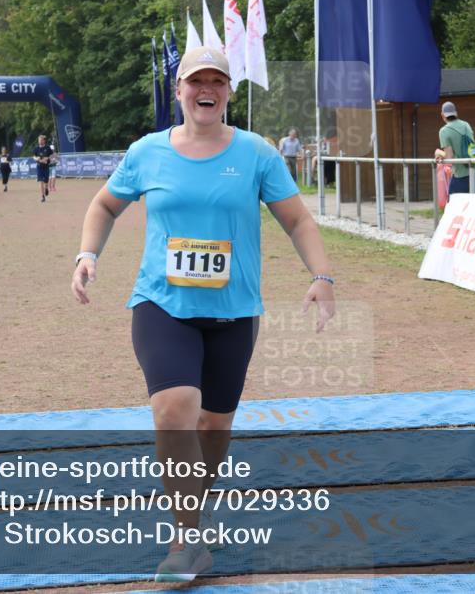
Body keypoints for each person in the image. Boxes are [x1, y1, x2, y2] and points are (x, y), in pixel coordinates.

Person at [70, 46, 336, 583]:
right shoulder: (148, 152)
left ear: (229, 93)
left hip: (234, 312)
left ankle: (193, 518)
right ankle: (184, 540)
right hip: (161, 304)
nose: (205, 89)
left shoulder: (257, 153)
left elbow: (298, 221)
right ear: (179, 91)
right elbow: (103, 205)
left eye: (217, 81)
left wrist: (322, 278)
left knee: (214, 425)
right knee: (175, 409)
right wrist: (87, 254)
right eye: (195, 81)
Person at [434, 101, 475, 196]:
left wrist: (439, 152)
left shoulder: (444, 131)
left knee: (453, 203)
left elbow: (449, 158)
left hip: (461, 173)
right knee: (469, 202)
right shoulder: (466, 124)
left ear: (442, 115)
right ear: (456, 113)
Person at [33, 135, 53, 202]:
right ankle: (43, 196)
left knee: (46, 181)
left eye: (41, 140)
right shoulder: (36, 148)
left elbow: (51, 155)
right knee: (41, 181)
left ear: (44, 141)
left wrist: (47, 158)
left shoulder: (47, 148)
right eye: (39, 140)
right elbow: (33, 156)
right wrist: (36, 158)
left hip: (46, 167)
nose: (40, 141)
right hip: (39, 167)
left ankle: (46, 188)